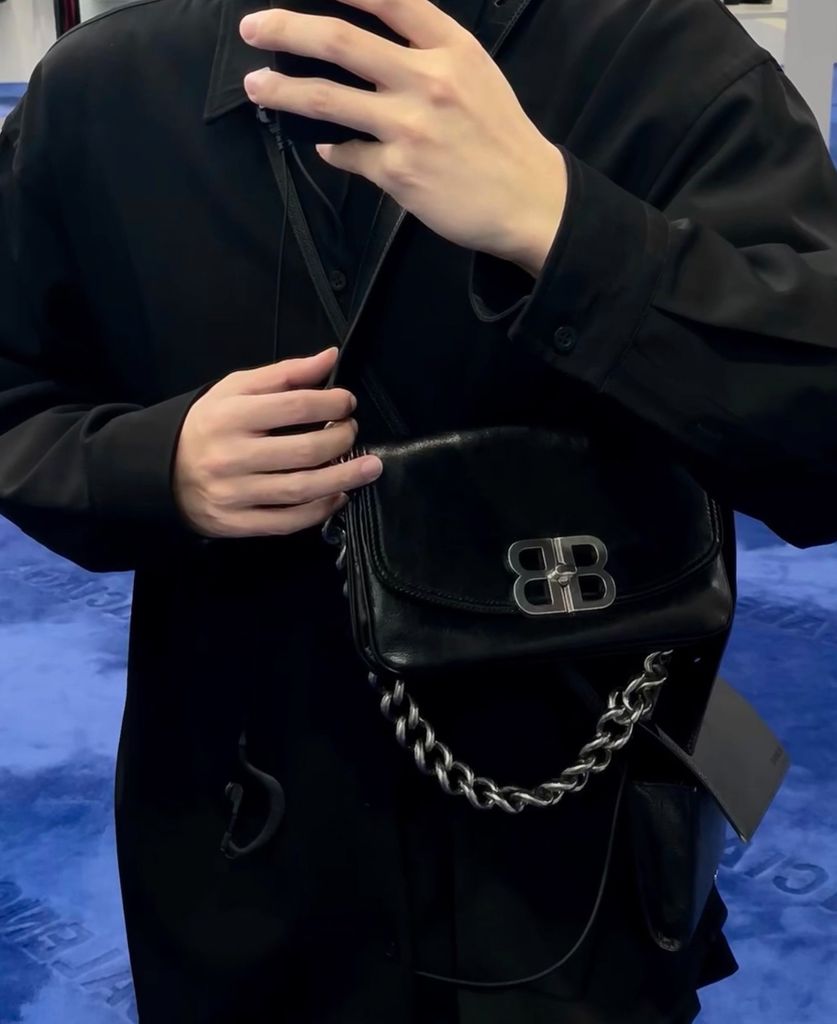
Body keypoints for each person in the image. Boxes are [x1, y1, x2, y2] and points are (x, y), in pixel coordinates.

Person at [2, 0, 837, 1020]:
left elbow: (817, 429)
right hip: (246, 839)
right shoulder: (104, 93)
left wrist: (563, 227)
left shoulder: (659, 53)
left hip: (577, 848)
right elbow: (16, 390)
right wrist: (151, 467)